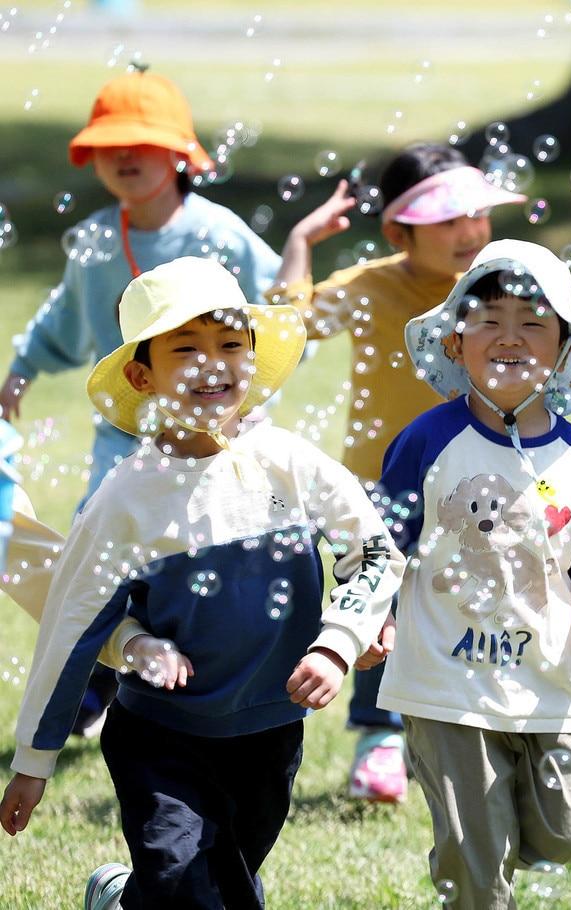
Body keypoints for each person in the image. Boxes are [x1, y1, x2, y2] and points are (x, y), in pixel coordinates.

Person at [0, 258, 405, 909]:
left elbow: (377, 555)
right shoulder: (126, 498)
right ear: (142, 375)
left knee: (224, 883)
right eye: (184, 348)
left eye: (229, 344)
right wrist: (34, 760)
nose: (211, 363)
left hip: (270, 729)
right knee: (190, 888)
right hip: (162, 735)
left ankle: (120, 899)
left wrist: (340, 638)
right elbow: (72, 626)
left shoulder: (289, 463)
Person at [0, 68, 282, 738]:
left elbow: (273, 310)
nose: (124, 157)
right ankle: (98, 682)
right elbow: (63, 317)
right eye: (108, 145)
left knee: (196, 557)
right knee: (95, 557)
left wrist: (253, 397)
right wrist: (20, 373)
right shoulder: (98, 243)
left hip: (215, 436)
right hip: (123, 438)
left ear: (182, 154)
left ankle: (201, 678)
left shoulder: (221, 233)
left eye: (142, 143)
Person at [377, 240, 571, 908]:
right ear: (456, 341)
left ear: (562, 350)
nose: (509, 337)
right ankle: (475, 871)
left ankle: (491, 844)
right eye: (488, 319)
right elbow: (382, 544)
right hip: (447, 677)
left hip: (552, 670)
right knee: (477, 862)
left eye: (533, 322)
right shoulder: (427, 441)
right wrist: (373, 618)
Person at [266, 143, 526, 802]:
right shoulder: (372, 285)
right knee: (380, 603)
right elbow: (285, 325)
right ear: (396, 231)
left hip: (481, 481)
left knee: (481, 602)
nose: (470, 231)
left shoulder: (498, 282)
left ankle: (475, 730)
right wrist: (299, 240)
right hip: (382, 482)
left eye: (476, 215)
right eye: (448, 220)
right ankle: (378, 737)